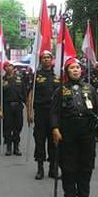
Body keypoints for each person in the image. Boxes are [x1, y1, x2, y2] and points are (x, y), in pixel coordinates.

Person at [51, 57, 98, 197]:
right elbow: (54, 112)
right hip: (68, 131)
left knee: (86, 164)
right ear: (67, 71)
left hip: (87, 131)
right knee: (69, 165)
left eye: (77, 67)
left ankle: (84, 196)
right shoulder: (61, 90)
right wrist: (55, 128)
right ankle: (69, 196)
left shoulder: (90, 89)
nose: (75, 70)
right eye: (72, 68)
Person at [26, 50, 60, 179]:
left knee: (54, 141)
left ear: (52, 60)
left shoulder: (58, 76)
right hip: (41, 112)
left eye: (48, 57)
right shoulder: (36, 76)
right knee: (40, 141)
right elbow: (30, 95)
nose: (46, 59)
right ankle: (40, 169)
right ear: (41, 60)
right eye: (44, 58)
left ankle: (53, 169)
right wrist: (29, 113)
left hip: (54, 113)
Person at [0, 61, 27, 156]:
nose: (9, 68)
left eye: (10, 66)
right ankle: (8, 147)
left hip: (18, 106)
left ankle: (16, 146)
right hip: (7, 106)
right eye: (6, 66)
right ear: (4, 69)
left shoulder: (20, 79)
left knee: (18, 126)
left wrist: (28, 108)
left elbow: (25, 94)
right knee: (8, 127)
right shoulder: (2, 80)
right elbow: (0, 97)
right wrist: (0, 109)